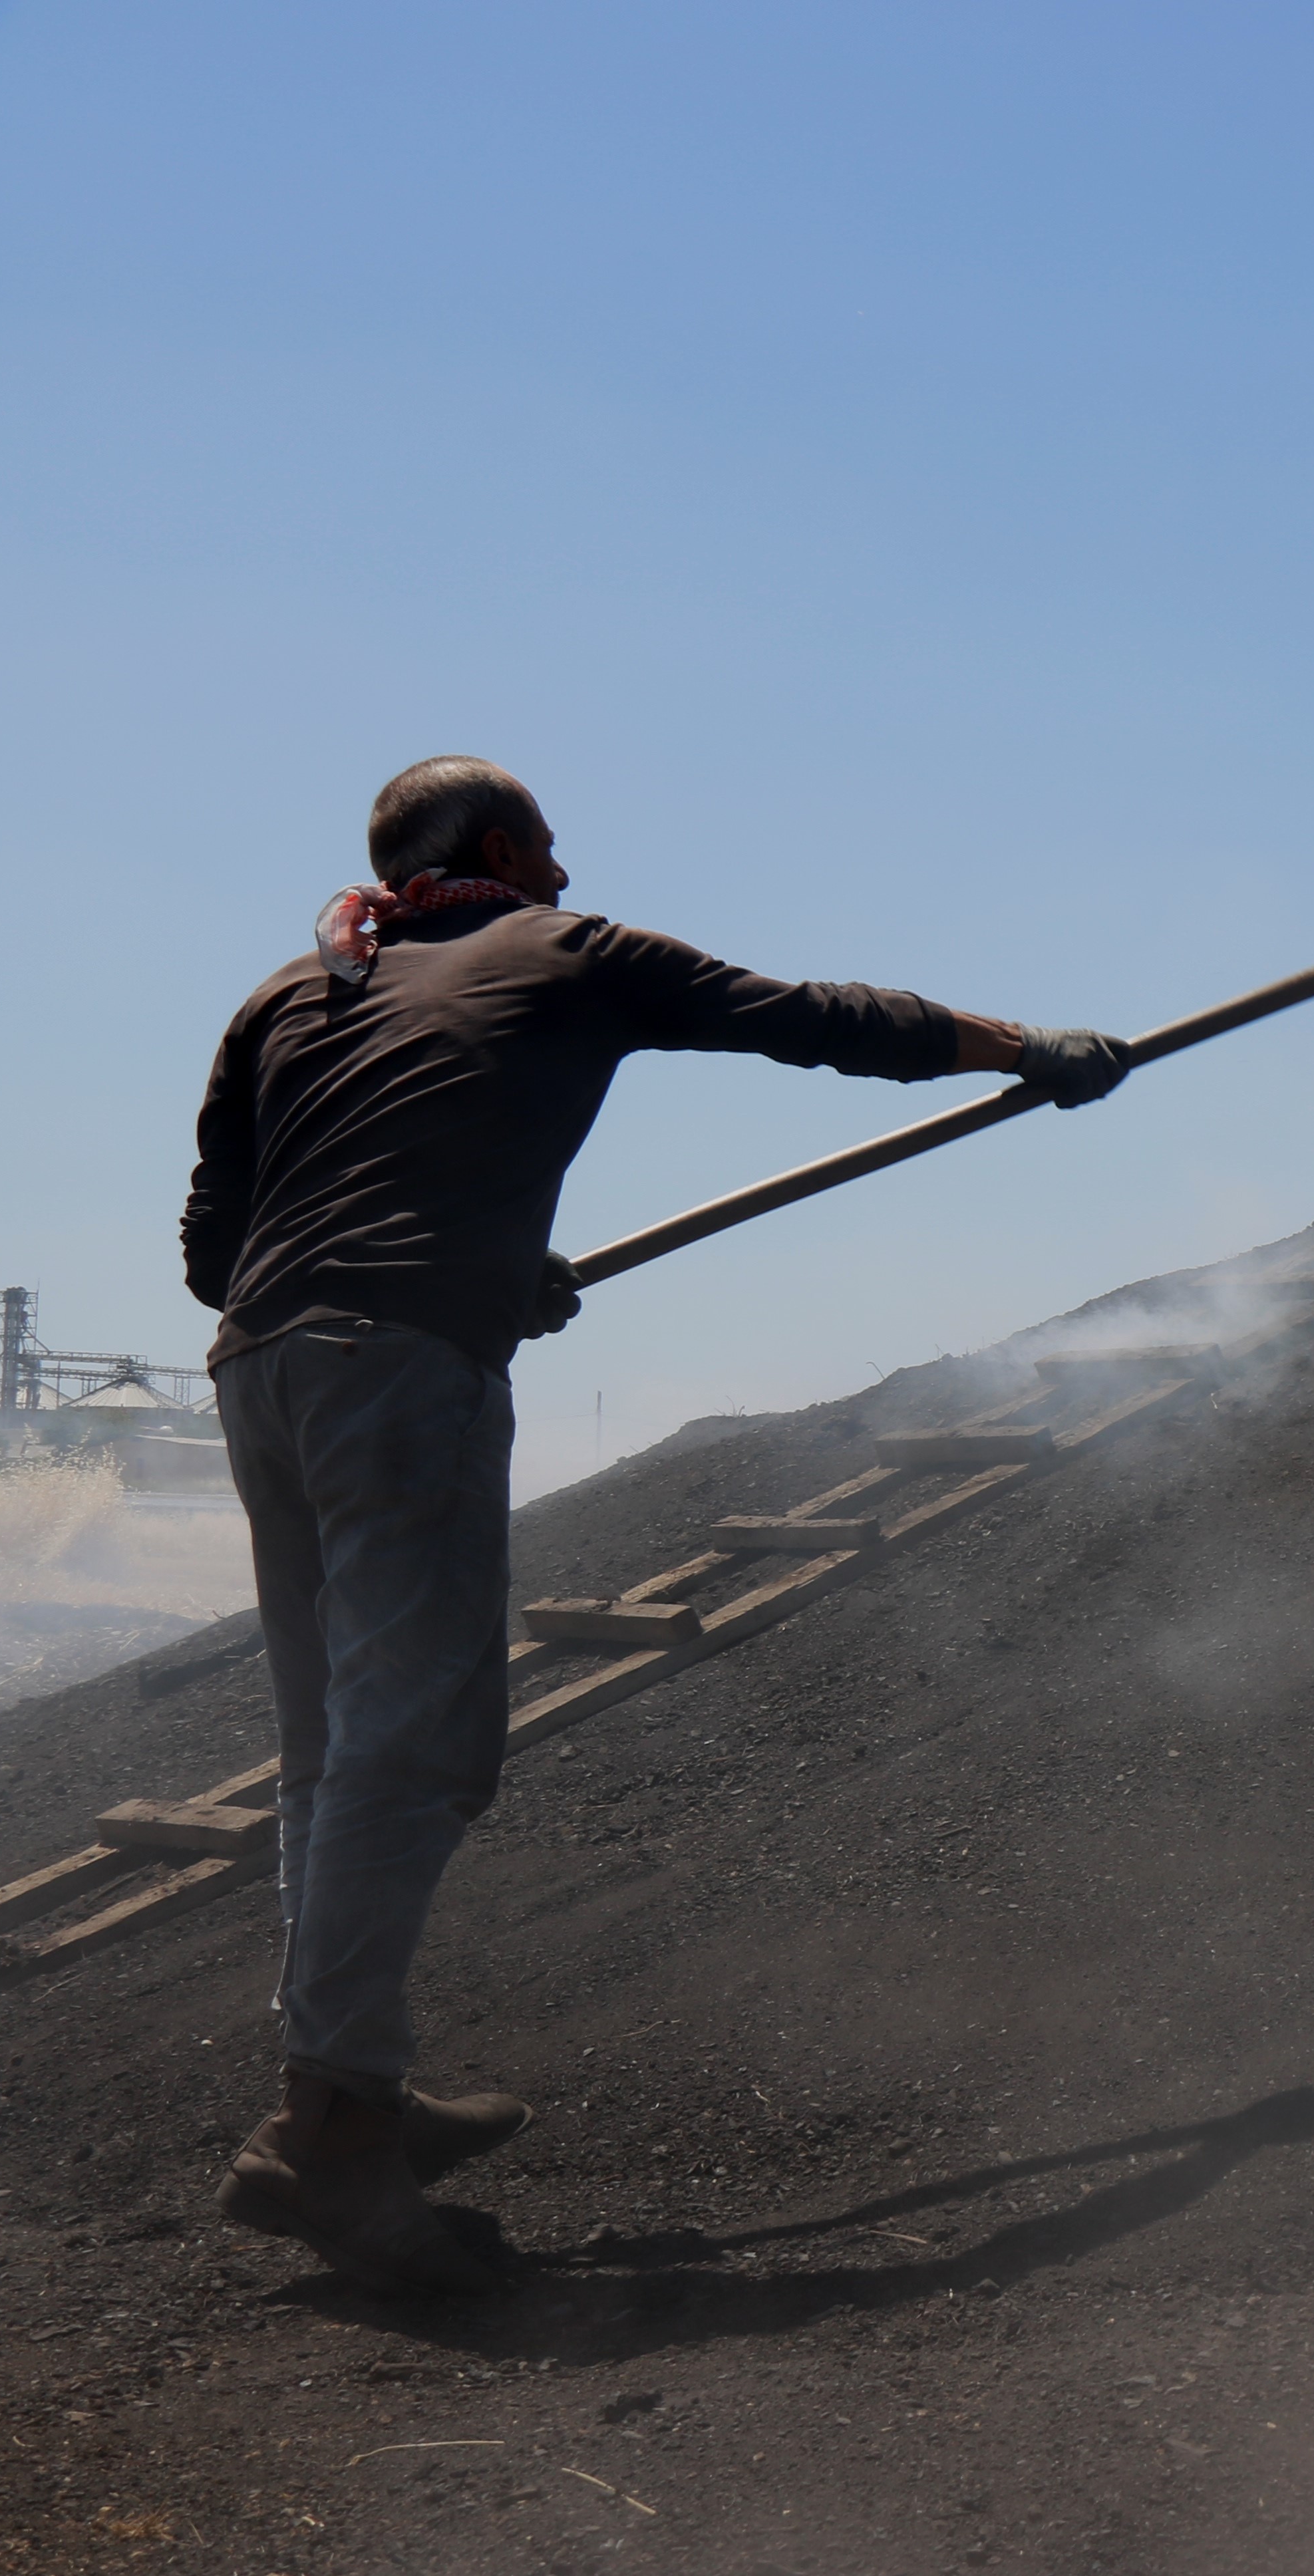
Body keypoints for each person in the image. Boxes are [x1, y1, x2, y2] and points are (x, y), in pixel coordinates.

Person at [178, 755, 1134, 2293]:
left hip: (263, 1372)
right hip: (396, 1372)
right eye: (544, 845)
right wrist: (1028, 1047)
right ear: (495, 848)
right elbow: (816, 1021)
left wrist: (485, 1258)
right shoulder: (561, 952)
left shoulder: (293, 993)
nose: (563, 869)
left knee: (329, 1751)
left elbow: (215, 1244)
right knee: (411, 1750)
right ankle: (329, 2128)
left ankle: (345, 2081)